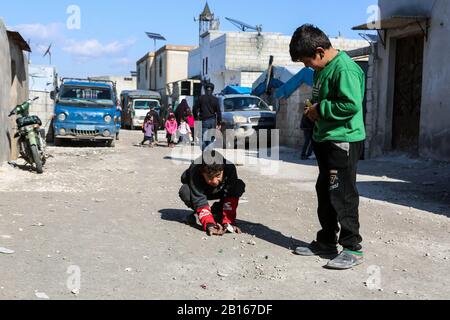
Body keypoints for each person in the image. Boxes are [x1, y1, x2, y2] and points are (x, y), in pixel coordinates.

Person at [290, 24, 367, 270]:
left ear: (320, 51)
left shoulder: (345, 69)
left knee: (342, 193)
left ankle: (352, 247)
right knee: (325, 191)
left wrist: (319, 110)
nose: (307, 67)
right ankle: (326, 241)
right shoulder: (322, 70)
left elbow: (349, 105)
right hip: (325, 138)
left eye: (307, 61)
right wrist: (313, 107)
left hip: (342, 140)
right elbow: (323, 98)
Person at [179, 151, 246, 237]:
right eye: (210, 177)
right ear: (202, 172)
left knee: (238, 185)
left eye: (218, 176)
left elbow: (230, 197)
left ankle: (217, 211)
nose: (214, 181)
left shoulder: (230, 168)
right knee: (185, 191)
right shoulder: (195, 170)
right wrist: (209, 224)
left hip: (220, 190)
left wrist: (229, 222)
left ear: (223, 169)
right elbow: (199, 199)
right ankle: (200, 213)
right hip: (200, 190)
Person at [193, 83, 222, 151]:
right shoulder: (215, 99)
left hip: (204, 120)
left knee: (204, 138)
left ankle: (205, 154)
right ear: (212, 90)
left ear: (205, 89)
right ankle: (209, 154)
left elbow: (194, 108)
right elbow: (218, 111)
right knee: (211, 139)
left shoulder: (201, 98)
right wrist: (219, 122)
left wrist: (196, 118)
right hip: (212, 121)